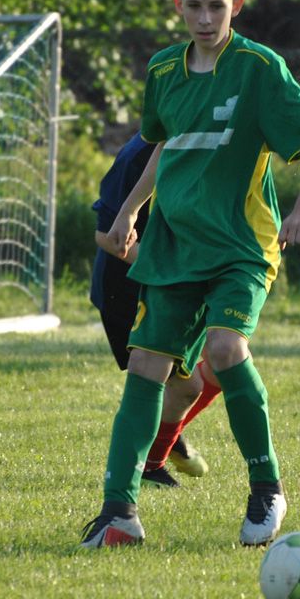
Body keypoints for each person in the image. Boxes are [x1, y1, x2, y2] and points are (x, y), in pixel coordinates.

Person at [80, 0, 300, 549]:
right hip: (173, 246)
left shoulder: (258, 67)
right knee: (146, 367)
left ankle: (267, 488)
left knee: (224, 349)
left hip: (240, 245)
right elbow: (166, 146)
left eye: (216, 7)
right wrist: (129, 210)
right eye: (193, 6)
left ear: (235, 6)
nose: (204, 18)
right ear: (178, 5)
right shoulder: (164, 70)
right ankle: (118, 512)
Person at [90, 131, 222, 489]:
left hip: (181, 282)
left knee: (223, 361)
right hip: (129, 290)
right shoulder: (139, 156)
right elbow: (105, 235)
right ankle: (148, 462)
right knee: (186, 385)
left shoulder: (205, 138)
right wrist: (170, 268)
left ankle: (164, 437)